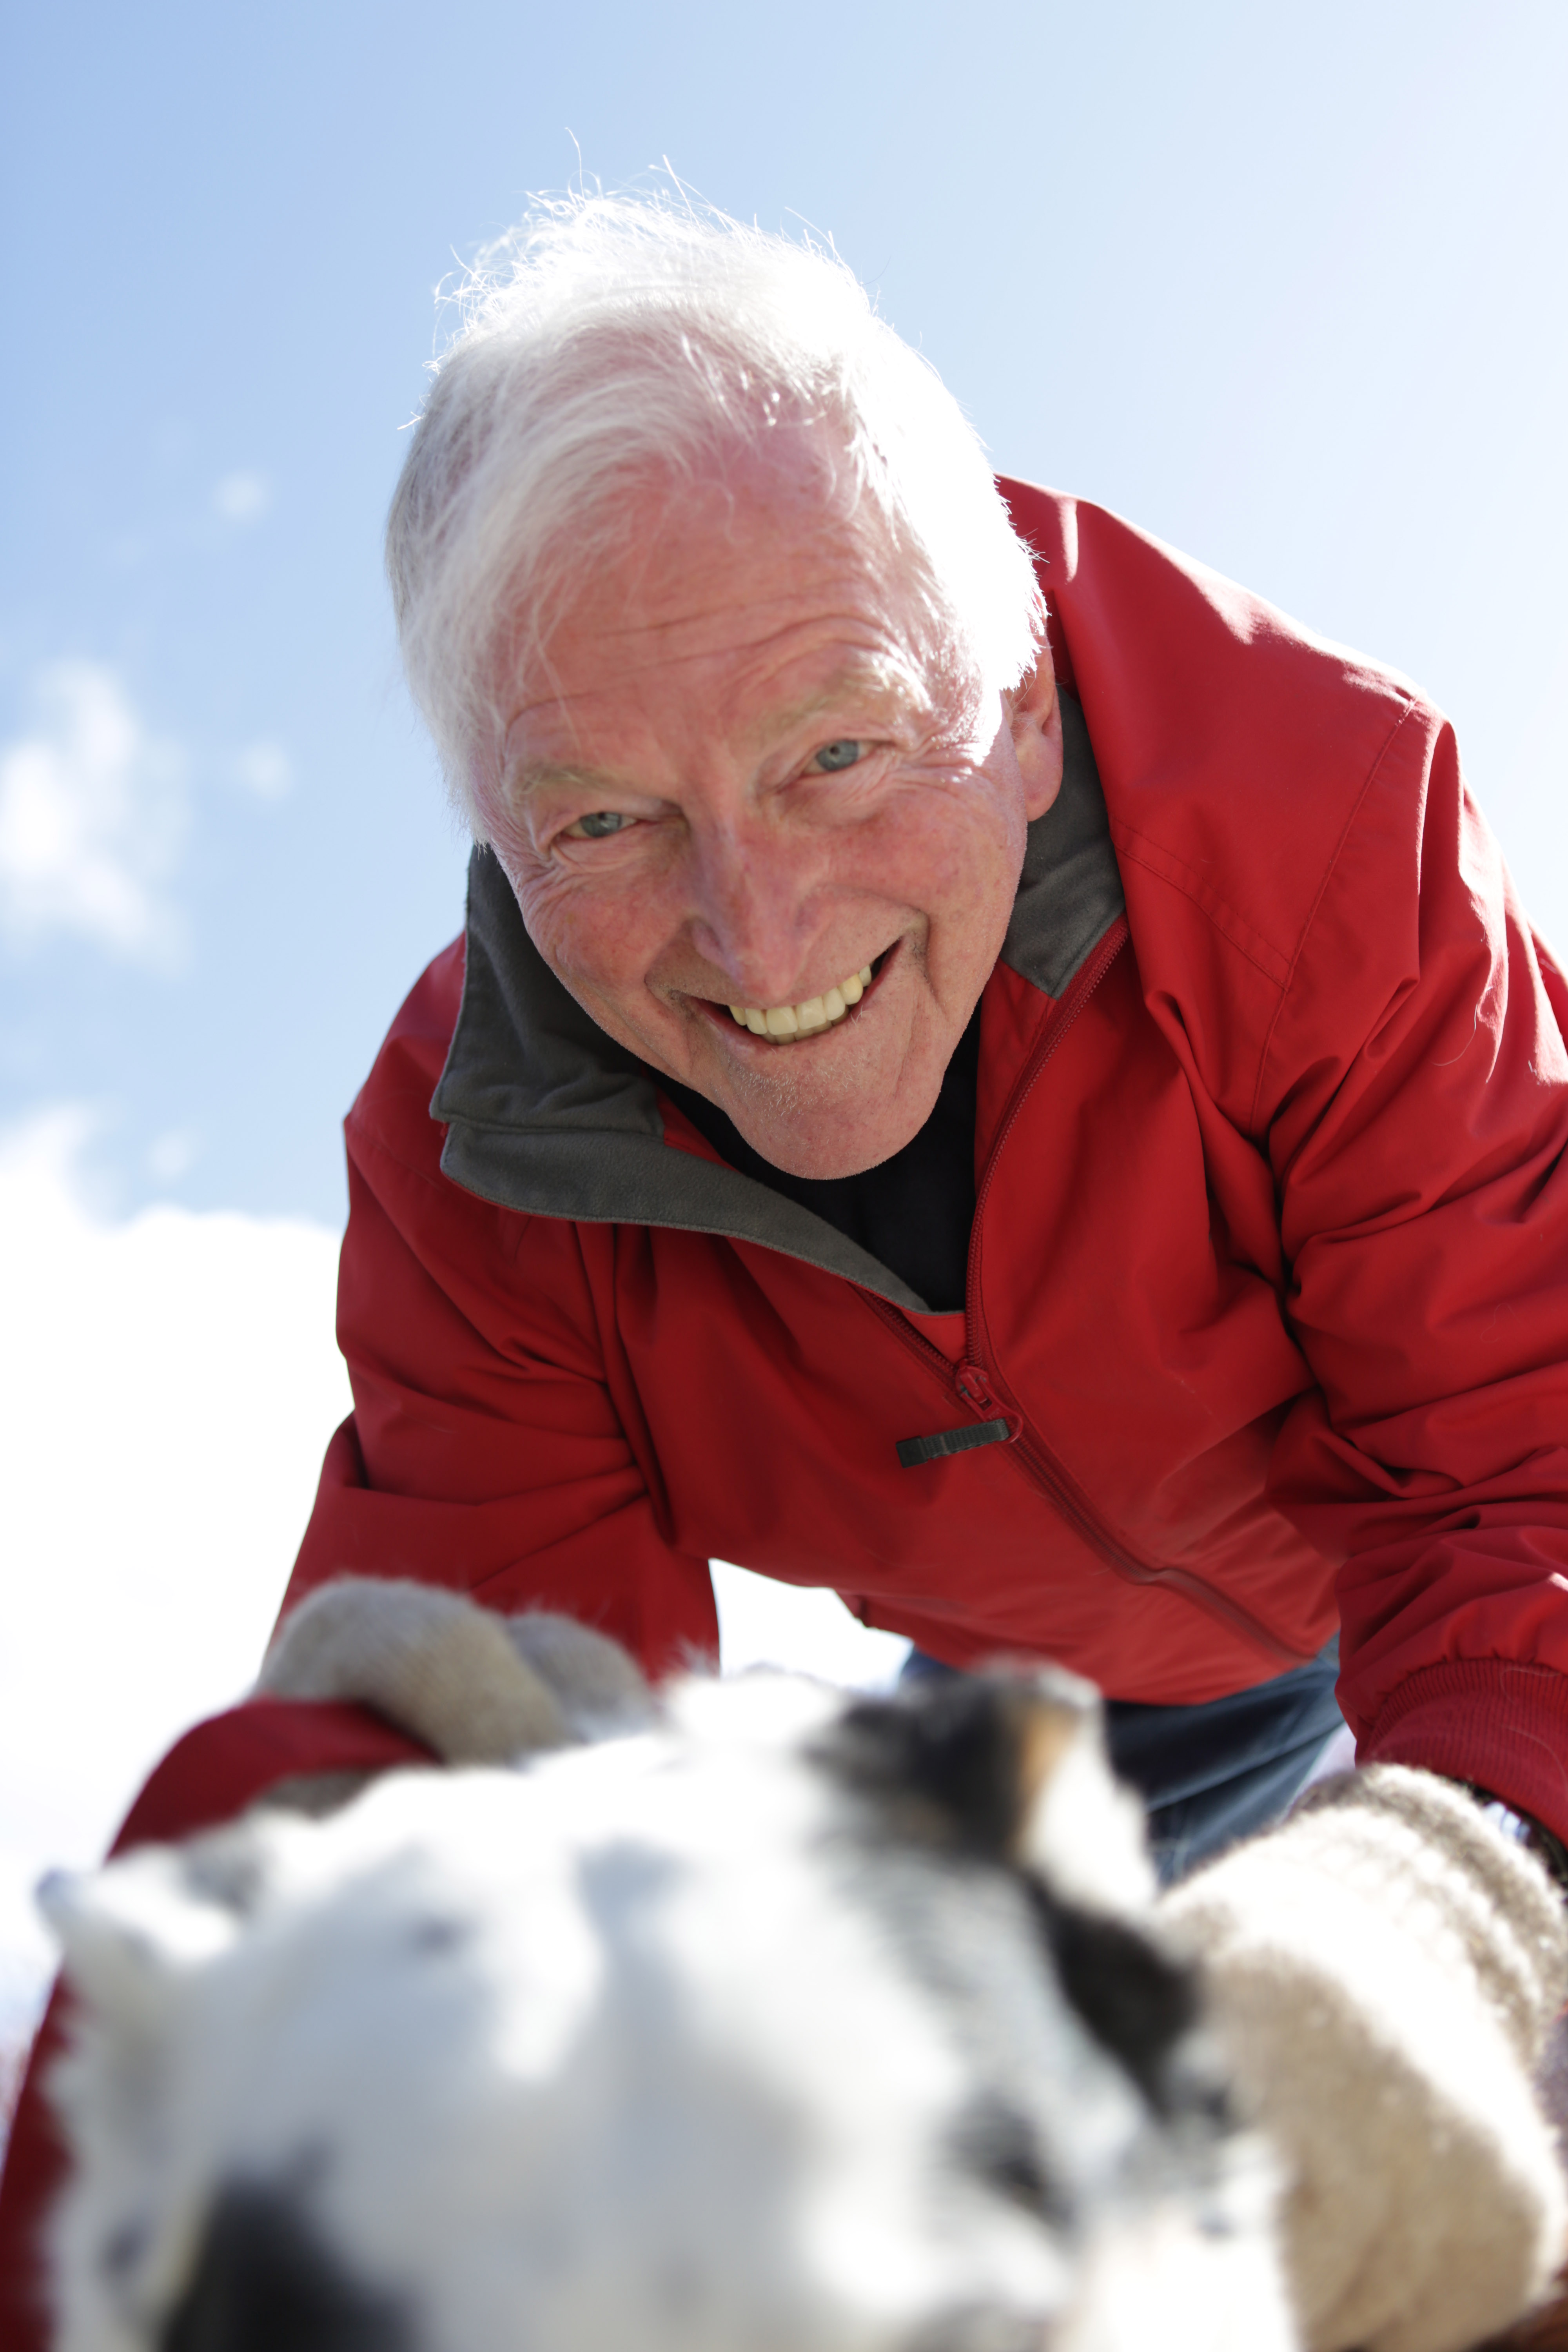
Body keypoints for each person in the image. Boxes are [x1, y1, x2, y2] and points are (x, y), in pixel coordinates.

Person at [4, 190, 1568, 2347]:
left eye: (836, 751)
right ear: (495, 843)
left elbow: (1525, 1472)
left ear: (1014, 707)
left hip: (1430, 1577)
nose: (760, 938)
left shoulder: (1312, 824)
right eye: (604, 825)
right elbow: (501, 1742)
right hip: (1056, 1704)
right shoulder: (475, 1168)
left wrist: (1433, 1906)